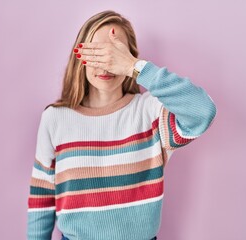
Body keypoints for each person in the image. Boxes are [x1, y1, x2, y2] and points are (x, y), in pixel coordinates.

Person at [26, 10, 217, 240]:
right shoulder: (55, 119)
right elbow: (41, 200)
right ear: (81, 55)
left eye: (115, 53)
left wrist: (134, 68)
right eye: (97, 52)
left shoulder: (151, 111)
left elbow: (203, 111)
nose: (106, 64)